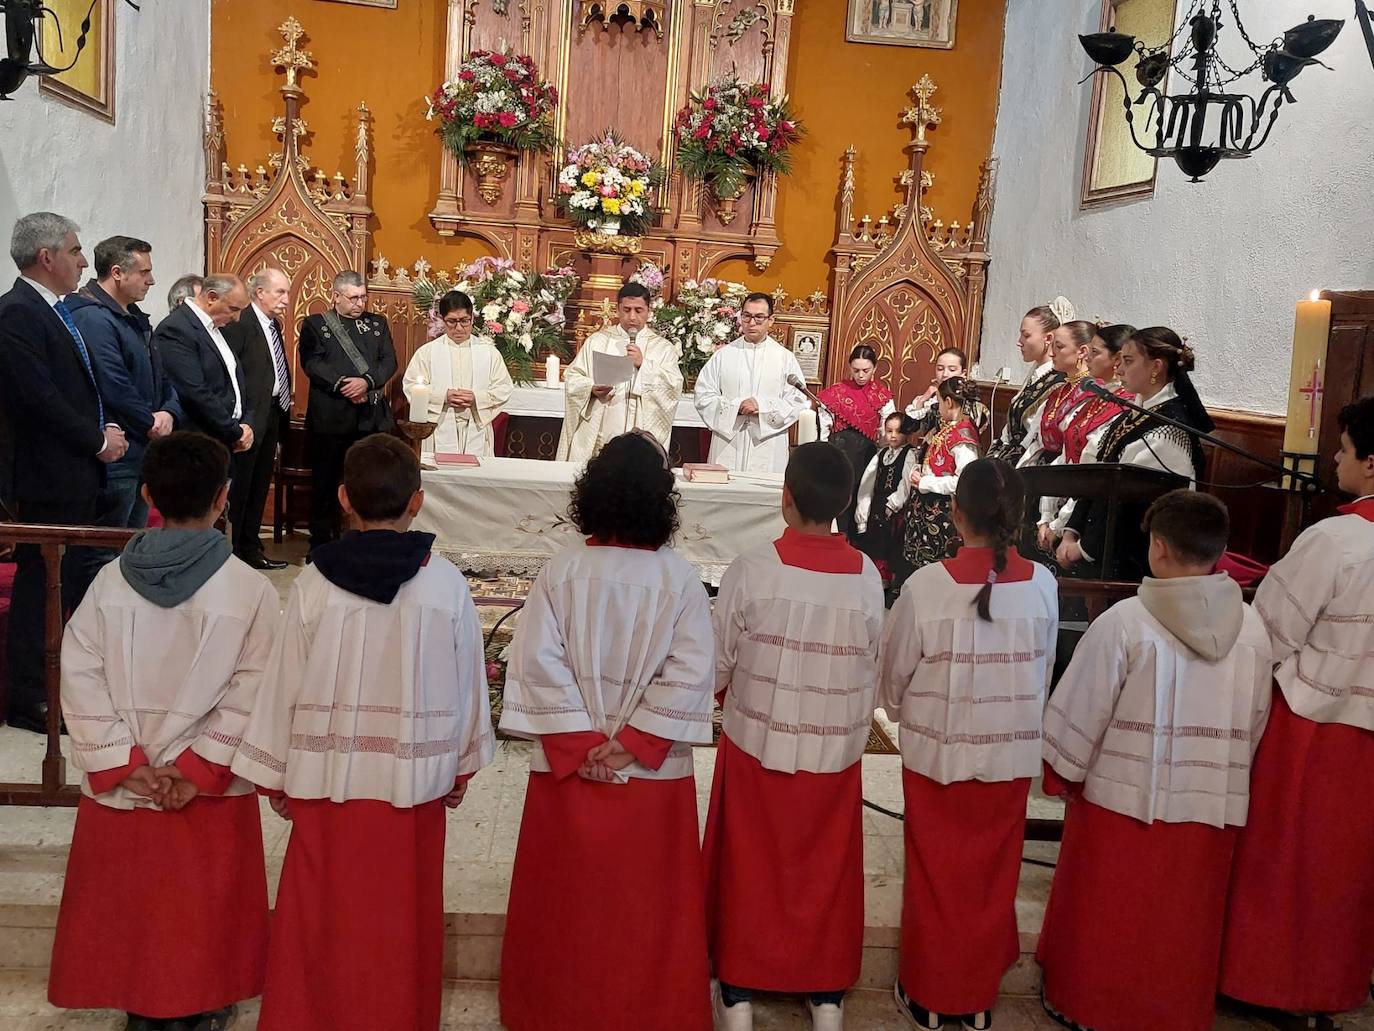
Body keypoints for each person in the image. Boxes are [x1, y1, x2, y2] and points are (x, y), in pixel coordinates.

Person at [233, 433, 494, 1031]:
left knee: (322, 911)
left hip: (327, 788)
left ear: (344, 499)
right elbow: (467, 686)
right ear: (419, 501)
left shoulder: (313, 584)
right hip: (413, 789)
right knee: (401, 913)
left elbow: (284, 683)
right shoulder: (446, 586)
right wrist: (460, 764)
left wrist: (277, 774)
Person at [49, 431, 276, 1029]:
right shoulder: (250, 591)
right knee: (199, 904)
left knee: (134, 903)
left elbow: (80, 672)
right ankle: (199, 1004)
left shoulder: (107, 585)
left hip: (132, 781)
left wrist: (131, 763)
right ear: (225, 497)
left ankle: (141, 1004)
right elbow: (258, 688)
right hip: (203, 786)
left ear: (147, 493)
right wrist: (194, 768)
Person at [497, 432, 715, 1031]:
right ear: (661, 501)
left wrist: (581, 743)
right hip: (649, 774)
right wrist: (635, 742)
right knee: (645, 908)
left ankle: (555, 1010)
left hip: (572, 772)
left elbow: (538, 660)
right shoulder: (681, 580)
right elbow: (694, 669)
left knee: (566, 905)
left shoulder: (562, 572)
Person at [1040, 490, 1271, 1031]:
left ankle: (1090, 1007)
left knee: (1111, 912)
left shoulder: (1126, 622)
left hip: (1123, 806)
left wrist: (1062, 772)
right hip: (1210, 812)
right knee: (1184, 922)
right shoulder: (1253, 628)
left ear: (1158, 548)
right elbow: (1257, 721)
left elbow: (1081, 710)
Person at [705, 441, 885, 1031]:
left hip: (758, 743)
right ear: (843, 504)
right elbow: (870, 662)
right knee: (823, 869)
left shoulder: (752, 568)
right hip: (832, 753)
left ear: (786, 497)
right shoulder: (866, 578)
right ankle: (825, 992)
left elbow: (716, 664)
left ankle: (737, 990)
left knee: (750, 865)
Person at [879, 458, 1058, 1031]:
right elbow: (1043, 668)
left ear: (955, 514)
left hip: (939, 755)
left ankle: (931, 996)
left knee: (936, 876)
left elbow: (894, 675)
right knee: (990, 879)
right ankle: (976, 999)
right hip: (1008, 757)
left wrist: (905, 715)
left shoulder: (927, 585)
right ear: (1020, 517)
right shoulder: (1045, 586)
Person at [1219, 396, 1374, 1019]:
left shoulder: (1337, 540)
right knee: (1346, 868)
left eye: (1343, 449)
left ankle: (1266, 983)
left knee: (1285, 859)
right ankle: (1331, 987)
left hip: (1310, 727)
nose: (1335, 458)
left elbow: (1270, 630)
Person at [0, 212, 128, 733]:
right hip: (44, 475)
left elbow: (75, 388)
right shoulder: (17, 314)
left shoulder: (55, 310)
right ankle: (29, 696)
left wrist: (104, 427)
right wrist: (96, 440)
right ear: (46, 257)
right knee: (40, 586)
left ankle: (54, 680)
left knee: (62, 584)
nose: (82, 259)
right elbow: (39, 398)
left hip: (71, 471)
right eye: (75, 251)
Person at [1056, 327, 1213, 580]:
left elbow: (1126, 503)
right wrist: (1070, 531)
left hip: (1137, 561)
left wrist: (1084, 549)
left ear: (1156, 367)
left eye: (1128, 361)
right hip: (1103, 547)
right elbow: (1097, 476)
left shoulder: (1167, 430)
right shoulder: (1136, 411)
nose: (1118, 369)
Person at [68, 236, 182, 531]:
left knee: (129, 545)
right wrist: (150, 422)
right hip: (117, 452)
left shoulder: (133, 317)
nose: (152, 280)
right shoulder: (92, 317)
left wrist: (169, 412)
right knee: (102, 548)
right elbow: (113, 383)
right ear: (117, 273)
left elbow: (163, 376)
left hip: (142, 448)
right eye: (144, 272)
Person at [298, 270, 397, 554]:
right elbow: (312, 364)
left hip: (371, 418)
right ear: (336, 296)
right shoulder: (316, 325)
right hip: (331, 417)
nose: (359, 303)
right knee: (325, 483)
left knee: (370, 483)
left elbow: (389, 360)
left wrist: (366, 382)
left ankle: (367, 540)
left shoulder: (377, 323)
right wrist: (343, 384)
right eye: (353, 298)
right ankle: (320, 543)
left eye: (363, 297)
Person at [1036, 323, 1136, 553]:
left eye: (1095, 352)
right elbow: (1063, 458)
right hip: (1061, 505)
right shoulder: (1096, 399)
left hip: (1080, 517)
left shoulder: (1124, 406)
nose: (1087, 358)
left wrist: (1059, 524)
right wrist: (1045, 515)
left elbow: (1091, 471)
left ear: (1116, 359)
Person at [558, 282, 682, 462]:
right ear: (617, 309)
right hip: (602, 428)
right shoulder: (598, 341)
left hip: (640, 434)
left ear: (649, 311)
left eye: (638, 310)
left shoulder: (663, 348)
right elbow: (573, 378)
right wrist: (591, 388)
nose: (632, 316)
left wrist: (643, 365)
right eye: (627, 309)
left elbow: (673, 387)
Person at [222, 267, 293, 570]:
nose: (287, 300)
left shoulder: (272, 325)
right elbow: (231, 373)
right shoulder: (241, 322)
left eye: (287, 292)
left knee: (260, 483)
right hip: (249, 418)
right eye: (281, 292)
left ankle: (251, 546)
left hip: (272, 413)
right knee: (243, 485)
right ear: (260, 292)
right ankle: (237, 548)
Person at [694, 292, 808, 473]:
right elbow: (703, 396)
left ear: (771, 320)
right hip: (728, 443)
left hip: (768, 443)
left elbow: (797, 400)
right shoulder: (724, 355)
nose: (751, 322)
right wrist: (735, 406)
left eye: (759, 317)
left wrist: (761, 406)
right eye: (746, 316)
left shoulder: (784, 358)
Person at [403, 290, 512, 458]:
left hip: (475, 427)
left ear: (472, 319)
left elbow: (503, 388)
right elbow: (411, 386)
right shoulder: (427, 352)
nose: (459, 328)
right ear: (442, 320)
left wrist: (476, 398)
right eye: (452, 322)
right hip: (439, 428)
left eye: (464, 321)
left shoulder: (489, 353)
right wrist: (443, 396)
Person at [156, 273, 255, 455]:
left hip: (226, 439)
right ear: (211, 297)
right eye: (233, 308)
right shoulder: (177, 328)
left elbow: (235, 381)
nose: (237, 318)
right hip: (198, 443)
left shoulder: (217, 327)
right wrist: (234, 431)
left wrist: (247, 422)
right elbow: (194, 391)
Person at [902, 376, 982, 574]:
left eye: (938, 402)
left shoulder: (964, 436)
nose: (937, 407)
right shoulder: (948, 429)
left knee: (938, 569)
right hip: (926, 510)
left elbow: (963, 482)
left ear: (948, 402)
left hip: (943, 514)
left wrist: (926, 482)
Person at [817, 343, 894, 539]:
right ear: (850, 368)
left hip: (867, 457)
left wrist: (883, 451)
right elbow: (824, 426)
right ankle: (834, 537)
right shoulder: (835, 392)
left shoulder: (882, 396)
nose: (861, 375)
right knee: (838, 497)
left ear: (875, 369)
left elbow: (888, 428)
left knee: (862, 499)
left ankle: (857, 543)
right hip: (837, 454)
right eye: (856, 370)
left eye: (866, 370)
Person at [985, 299, 1073, 464]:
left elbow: (1037, 438)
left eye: (1026, 335)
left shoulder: (1058, 382)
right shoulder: (1036, 374)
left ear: (1048, 338)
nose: (1019, 342)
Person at [1015, 320, 1094, 469]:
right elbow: (1035, 442)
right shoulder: (1060, 391)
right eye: (1052, 347)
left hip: (1064, 473)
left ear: (1082, 352)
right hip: (1040, 467)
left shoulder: (1091, 394)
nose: (1051, 353)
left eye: (1059, 347)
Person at [854, 411, 917, 592]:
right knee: (874, 542)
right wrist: (863, 512)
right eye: (889, 431)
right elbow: (867, 484)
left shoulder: (909, 454)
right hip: (877, 506)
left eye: (898, 431)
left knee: (890, 546)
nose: (893, 436)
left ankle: (888, 582)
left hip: (893, 511)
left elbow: (906, 483)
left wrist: (893, 503)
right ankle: (873, 579)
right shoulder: (881, 455)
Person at [902, 347, 988, 438]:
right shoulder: (931, 401)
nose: (945, 374)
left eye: (952, 370)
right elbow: (907, 429)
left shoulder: (972, 405)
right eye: (940, 369)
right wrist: (922, 400)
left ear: (963, 373)